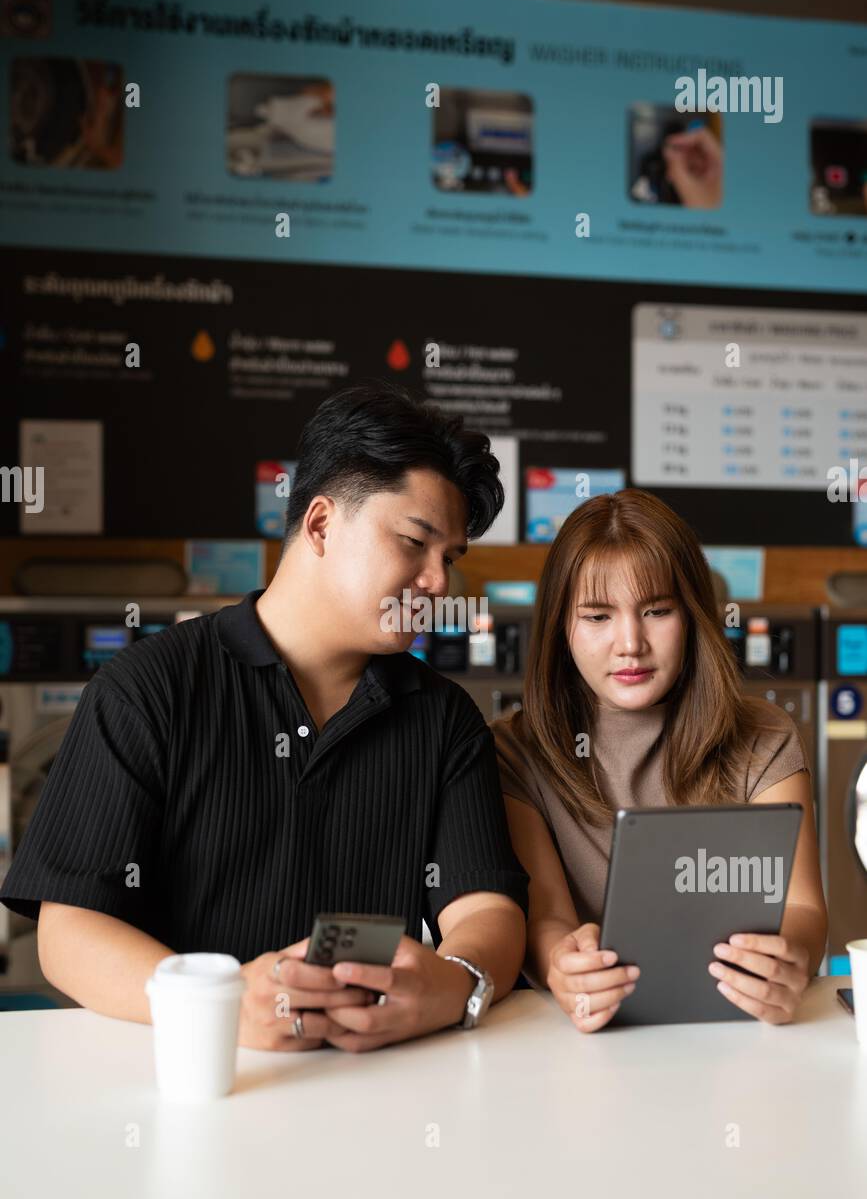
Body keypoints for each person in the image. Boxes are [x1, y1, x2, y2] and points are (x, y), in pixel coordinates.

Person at [1, 383, 528, 1052]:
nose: (438, 582)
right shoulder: (148, 688)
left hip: (370, 1084)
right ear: (319, 524)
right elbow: (69, 932)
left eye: (448, 559)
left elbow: (486, 907)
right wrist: (217, 1003)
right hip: (191, 1079)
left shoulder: (443, 718)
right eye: (413, 542)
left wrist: (454, 983)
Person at [492, 488, 827, 1033]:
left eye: (657, 611)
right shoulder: (516, 749)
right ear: (560, 627)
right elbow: (549, 916)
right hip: (582, 1043)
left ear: (693, 615)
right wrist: (562, 963)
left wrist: (791, 959)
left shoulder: (764, 736)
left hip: (732, 1027)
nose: (630, 643)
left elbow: (803, 908)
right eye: (598, 616)